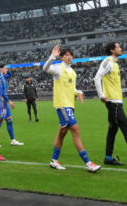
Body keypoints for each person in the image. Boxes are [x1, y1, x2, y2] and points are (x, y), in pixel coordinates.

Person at [43, 45, 100, 173]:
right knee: (75, 130)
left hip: (70, 106)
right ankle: (88, 163)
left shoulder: (73, 73)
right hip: (62, 105)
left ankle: (54, 161)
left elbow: (72, 89)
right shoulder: (58, 68)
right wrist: (52, 57)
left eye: (70, 55)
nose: (69, 57)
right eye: (66, 55)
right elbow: (45, 68)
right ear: (62, 57)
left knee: (61, 134)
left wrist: (78, 92)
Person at [0, 64, 23, 146]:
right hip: (1, 102)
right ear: (1, 69)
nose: (7, 69)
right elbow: (1, 92)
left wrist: (6, 69)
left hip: (5, 103)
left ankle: (13, 140)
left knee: (9, 121)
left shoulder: (3, 76)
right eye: (5, 68)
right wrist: (8, 101)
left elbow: (10, 74)